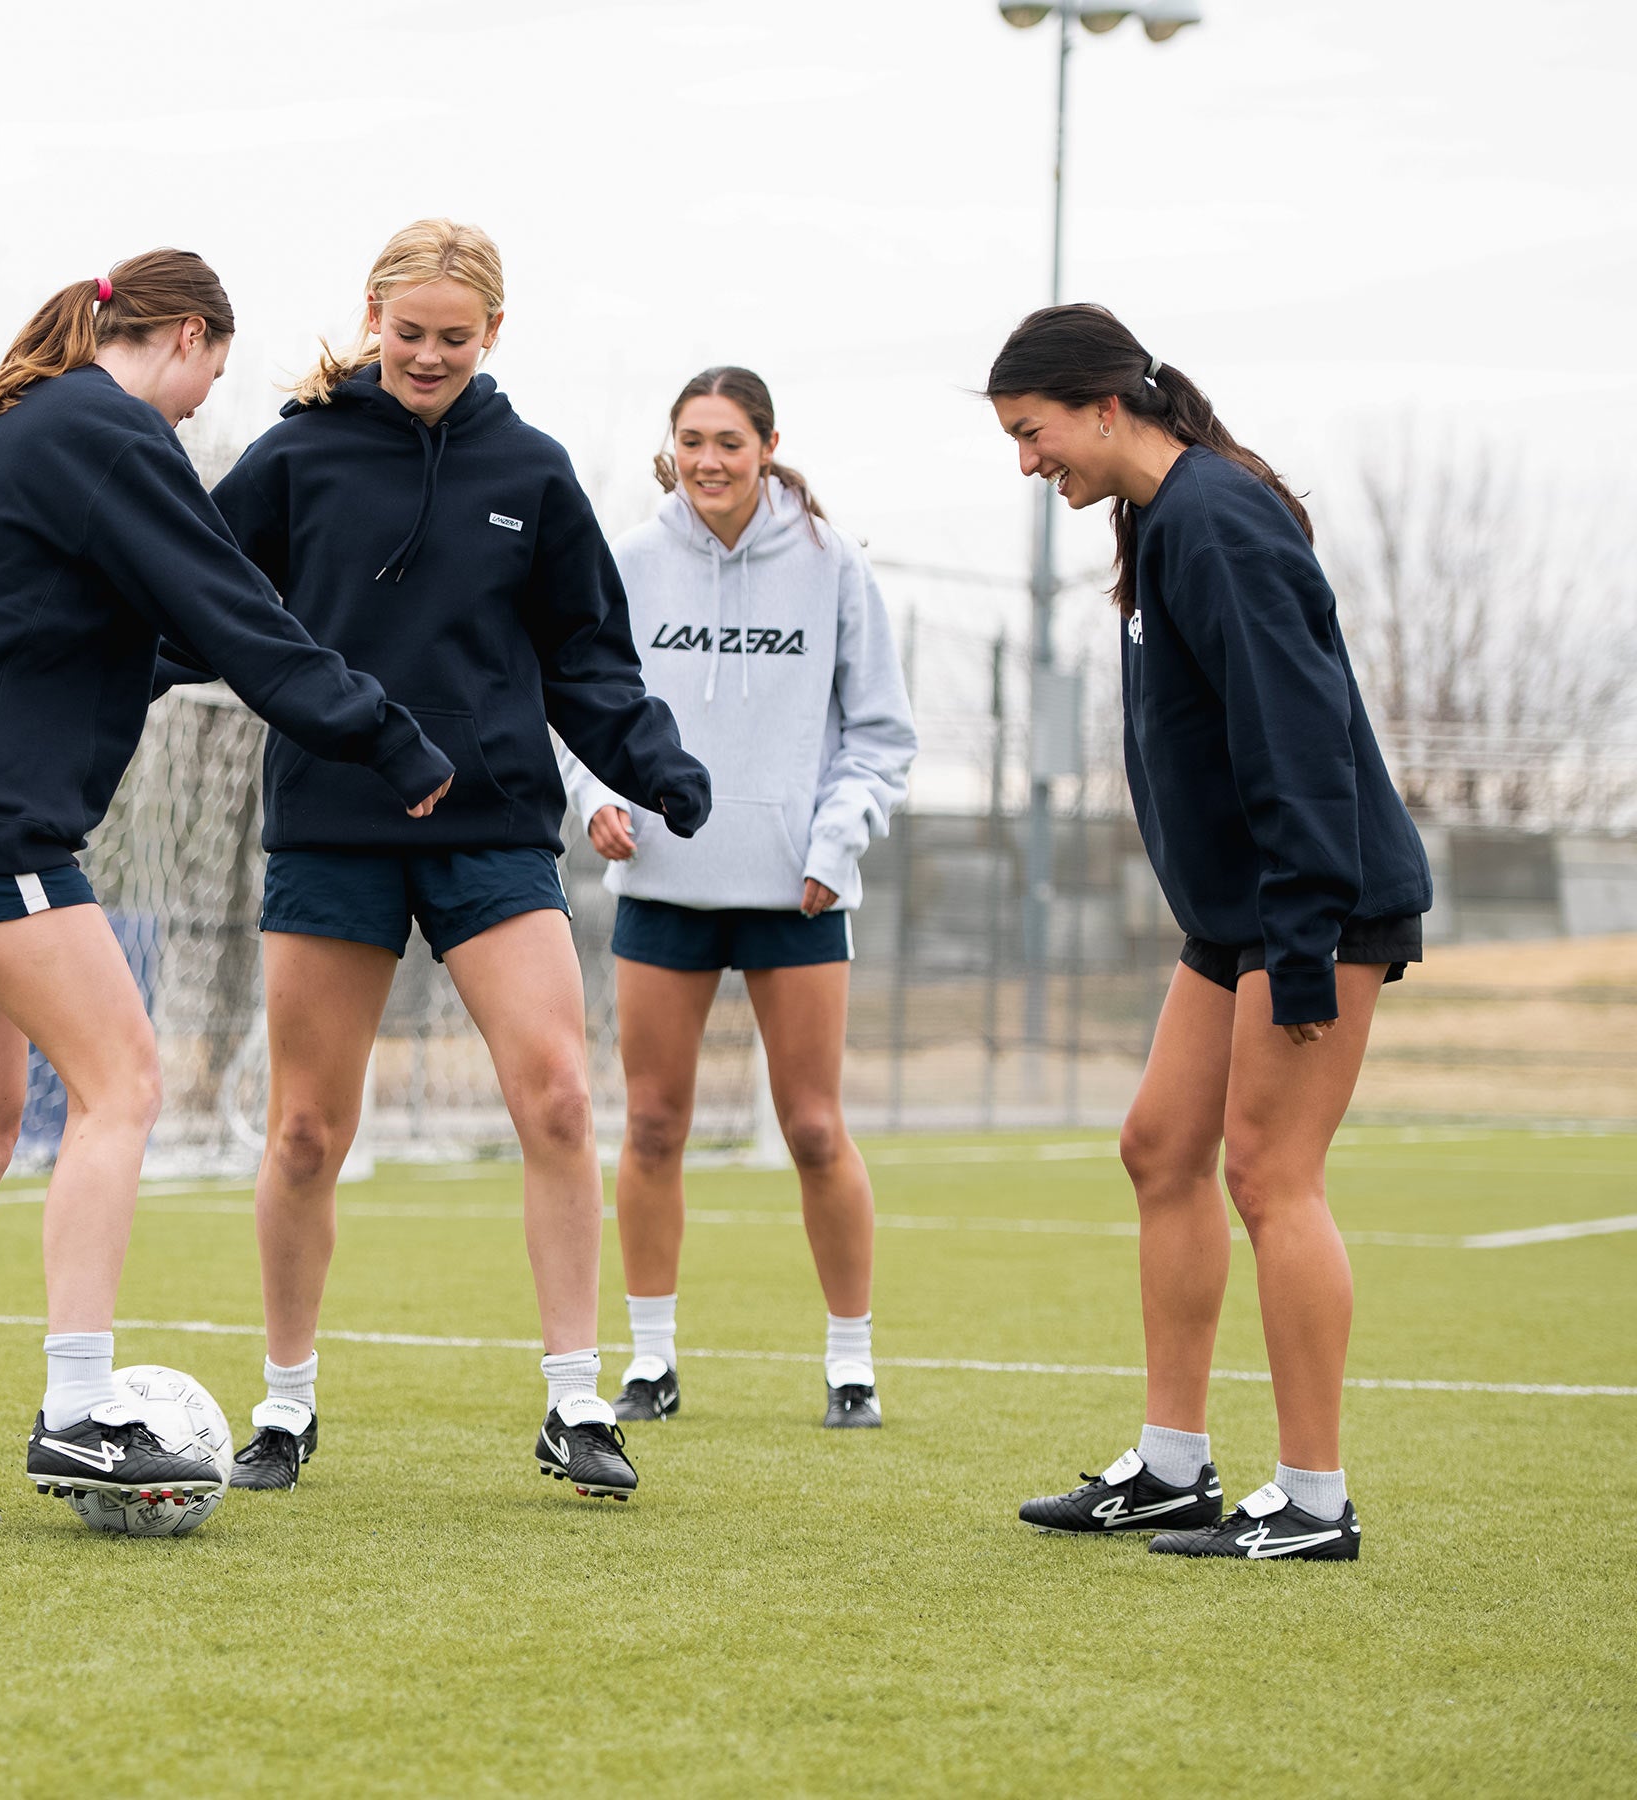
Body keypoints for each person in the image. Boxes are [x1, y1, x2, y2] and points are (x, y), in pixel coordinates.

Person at [0, 249, 454, 1525]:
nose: (193, 414)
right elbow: (236, 612)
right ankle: (78, 1415)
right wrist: (384, 734)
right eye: (204, 384)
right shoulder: (110, 432)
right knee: (125, 1083)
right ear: (180, 339)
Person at [174, 219, 711, 1503]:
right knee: (305, 1130)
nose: (426, 355)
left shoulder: (532, 469)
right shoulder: (295, 457)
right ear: (371, 317)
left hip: (490, 830)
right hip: (333, 826)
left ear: (493, 335)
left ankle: (576, 1402)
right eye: (407, 333)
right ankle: (286, 1406)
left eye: (452, 338)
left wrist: (656, 760)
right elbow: (198, 602)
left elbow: (588, 658)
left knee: (561, 1101)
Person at [991, 304, 1429, 1561]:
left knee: (1268, 1176)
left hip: (1313, 902)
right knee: (1158, 1147)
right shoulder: (1156, 517)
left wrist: (1299, 937)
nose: (1029, 464)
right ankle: (1174, 1467)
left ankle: (1313, 1499)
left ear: (1104, 406)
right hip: (1237, 912)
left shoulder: (1216, 517)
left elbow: (1295, 737)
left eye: (1034, 435)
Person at [557, 366, 916, 1431]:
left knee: (812, 1128)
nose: (709, 460)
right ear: (673, 451)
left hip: (795, 896)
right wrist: (596, 794)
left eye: (729, 440)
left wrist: (835, 840)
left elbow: (882, 734)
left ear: (766, 445)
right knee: (655, 1124)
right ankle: (652, 1360)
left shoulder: (832, 565)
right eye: (691, 441)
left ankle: (851, 1364)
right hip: (666, 885)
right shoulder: (627, 559)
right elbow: (577, 698)